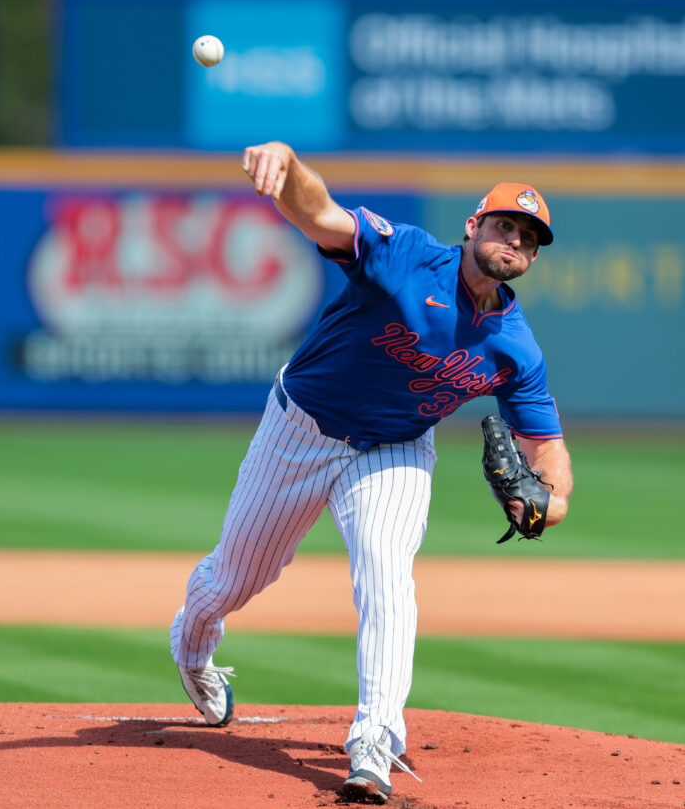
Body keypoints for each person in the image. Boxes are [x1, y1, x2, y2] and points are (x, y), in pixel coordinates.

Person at [170, 141, 574, 804]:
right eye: (505, 224)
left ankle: (374, 743)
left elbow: (549, 452)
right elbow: (322, 214)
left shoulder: (515, 347)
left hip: (396, 447)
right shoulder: (408, 254)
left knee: (387, 579)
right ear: (473, 225)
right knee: (237, 577)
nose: (515, 240)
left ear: (531, 258)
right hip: (301, 424)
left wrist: (544, 502)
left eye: (529, 238)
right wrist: (288, 167)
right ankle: (192, 644)